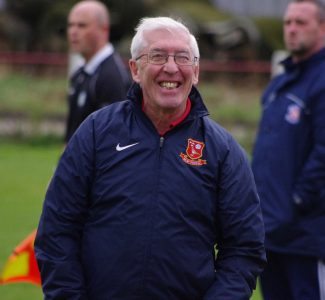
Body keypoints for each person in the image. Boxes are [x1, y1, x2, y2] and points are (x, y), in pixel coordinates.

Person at [35, 16, 266, 299]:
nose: (171, 68)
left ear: (195, 72)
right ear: (135, 69)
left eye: (182, 57)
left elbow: (244, 248)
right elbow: (58, 229)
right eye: (157, 56)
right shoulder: (96, 132)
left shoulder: (223, 151)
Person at [252, 0, 325, 299]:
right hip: (270, 232)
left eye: (301, 22)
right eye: (288, 22)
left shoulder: (321, 82)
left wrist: (297, 200)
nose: (292, 29)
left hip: (306, 235)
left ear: (322, 27)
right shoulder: (280, 84)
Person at [65, 0, 131, 142]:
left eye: (82, 25)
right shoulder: (79, 74)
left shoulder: (111, 77)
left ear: (104, 29)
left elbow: (114, 137)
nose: (73, 32)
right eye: (71, 25)